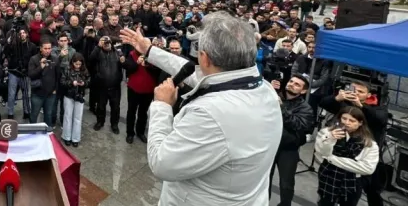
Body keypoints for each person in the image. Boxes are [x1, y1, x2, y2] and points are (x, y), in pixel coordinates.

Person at [120, 12, 282, 205]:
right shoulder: (264, 88)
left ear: (204, 58)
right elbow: (196, 73)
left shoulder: (210, 114)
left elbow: (162, 164)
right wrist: (150, 50)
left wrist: (162, 107)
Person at [320, 81, 389, 206]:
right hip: (343, 150)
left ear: (369, 95)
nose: (356, 93)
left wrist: (361, 106)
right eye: (354, 89)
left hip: (364, 153)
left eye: (361, 92)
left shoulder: (377, 107)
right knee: (331, 193)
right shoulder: (345, 104)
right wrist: (336, 98)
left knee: (372, 191)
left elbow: (380, 119)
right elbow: (324, 103)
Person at [315, 106, 379, 206]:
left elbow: (367, 168)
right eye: (344, 118)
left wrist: (332, 159)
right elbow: (321, 153)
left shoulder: (369, 144)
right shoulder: (327, 132)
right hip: (328, 177)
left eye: (352, 120)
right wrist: (330, 138)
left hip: (352, 183)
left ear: (360, 123)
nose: (346, 123)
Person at [269, 73, 315, 206]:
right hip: (269, 145)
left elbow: (298, 125)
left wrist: (281, 107)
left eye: (297, 84)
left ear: (303, 90)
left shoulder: (305, 108)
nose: (292, 84)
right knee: (264, 179)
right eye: (291, 81)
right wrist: (268, 90)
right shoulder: (274, 96)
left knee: (286, 183)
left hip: (288, 150)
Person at [88, 36, 124, 135]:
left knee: (115, 107)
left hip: (115, 87)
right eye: (104, 42)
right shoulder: (97, 52)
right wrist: (98, 47)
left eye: (108, 41)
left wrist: (123, 62)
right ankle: (100, 122)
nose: (106, 43)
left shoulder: (117, 52)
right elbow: (90, 60)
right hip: (101, 86)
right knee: (101, 106)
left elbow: (124, 65)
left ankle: (114, 125)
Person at [28, 41, 59, 129]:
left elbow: (58, 75)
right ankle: (32, 134)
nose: (47, 51)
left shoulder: (55, 59)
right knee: (34, 115)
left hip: (50, 94)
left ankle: (48, 135)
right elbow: (31, 75)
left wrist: (55, 89)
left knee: (48, 115)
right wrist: (40, 67)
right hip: (37, 93)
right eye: (45, 48)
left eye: (49, 48)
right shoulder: (34, 59)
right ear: (41, 48)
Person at [60, 54, 89, 147]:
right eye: (76, 64)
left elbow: (89, 80)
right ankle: (66, 137)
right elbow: (62, 82)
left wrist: (84, 83)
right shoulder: (67, 69)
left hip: (80, 96)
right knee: (67, 116)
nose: (78, 66)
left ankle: (76, 138)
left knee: (78, 118)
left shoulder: (84, 70)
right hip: (69, 95)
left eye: (79, 64)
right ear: (72, 62)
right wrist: (72, 83)